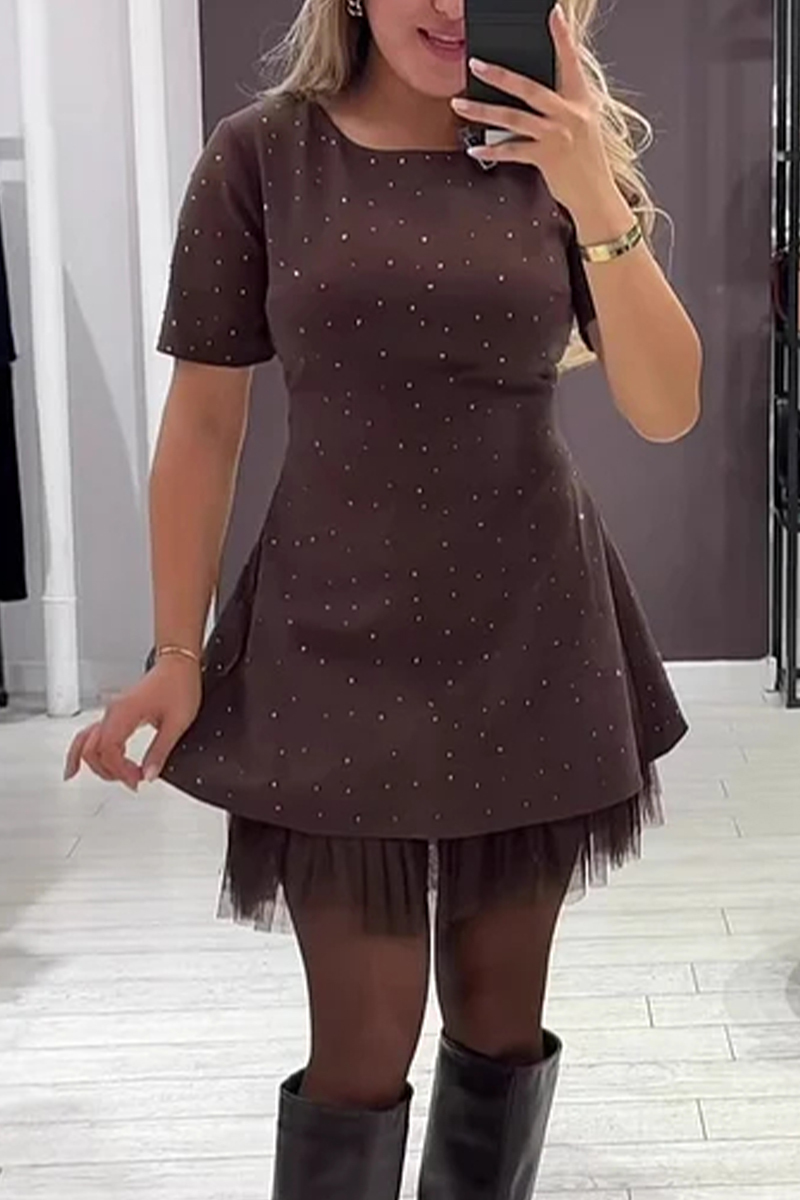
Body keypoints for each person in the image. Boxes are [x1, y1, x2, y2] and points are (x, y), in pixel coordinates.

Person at [65, 0, 702, 1196]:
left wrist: (587, 185)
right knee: (359, 1051)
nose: (451, 5)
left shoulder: (556, 149)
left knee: (499, 1030)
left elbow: (666, 407)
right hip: (330, 641)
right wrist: (175, 652)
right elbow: (202, 425)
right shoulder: (260, 157)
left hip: (529, 633)